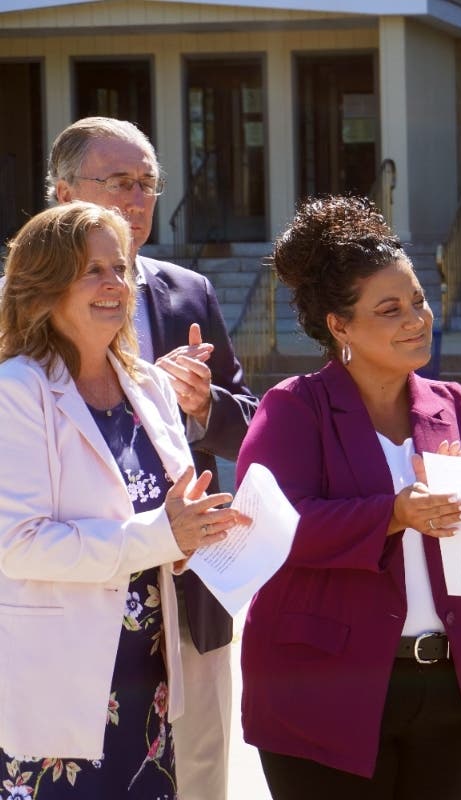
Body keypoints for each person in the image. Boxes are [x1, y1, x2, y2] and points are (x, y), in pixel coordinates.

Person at [235, 194, 461, 798]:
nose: (416, 319)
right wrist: (392, 514)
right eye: (390, 309)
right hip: (323, 693)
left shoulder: (459, 406)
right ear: (339, 325)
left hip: (449, 687)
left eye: (418, 301)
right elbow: (269, 526)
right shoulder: (295, 408)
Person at [0, 202, 247, 798]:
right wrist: (166, 536)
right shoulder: (17, 389)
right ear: (45, 286)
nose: (114, 283)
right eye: (92, 270)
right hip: (61, 682)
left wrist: (198, 537)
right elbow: (19, 544)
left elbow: (169, 522)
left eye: (119, 266)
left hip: (150, 683)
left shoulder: (150, 384)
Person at [48, 116, 258, 800]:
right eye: (118, 182)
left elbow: (248, 427)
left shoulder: (187, 292)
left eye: (146, 184)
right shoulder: (19, 310)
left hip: (191, 590)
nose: (136, 200)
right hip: (72, 590)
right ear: (61, 192)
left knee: (198, 769)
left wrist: (199, 406)